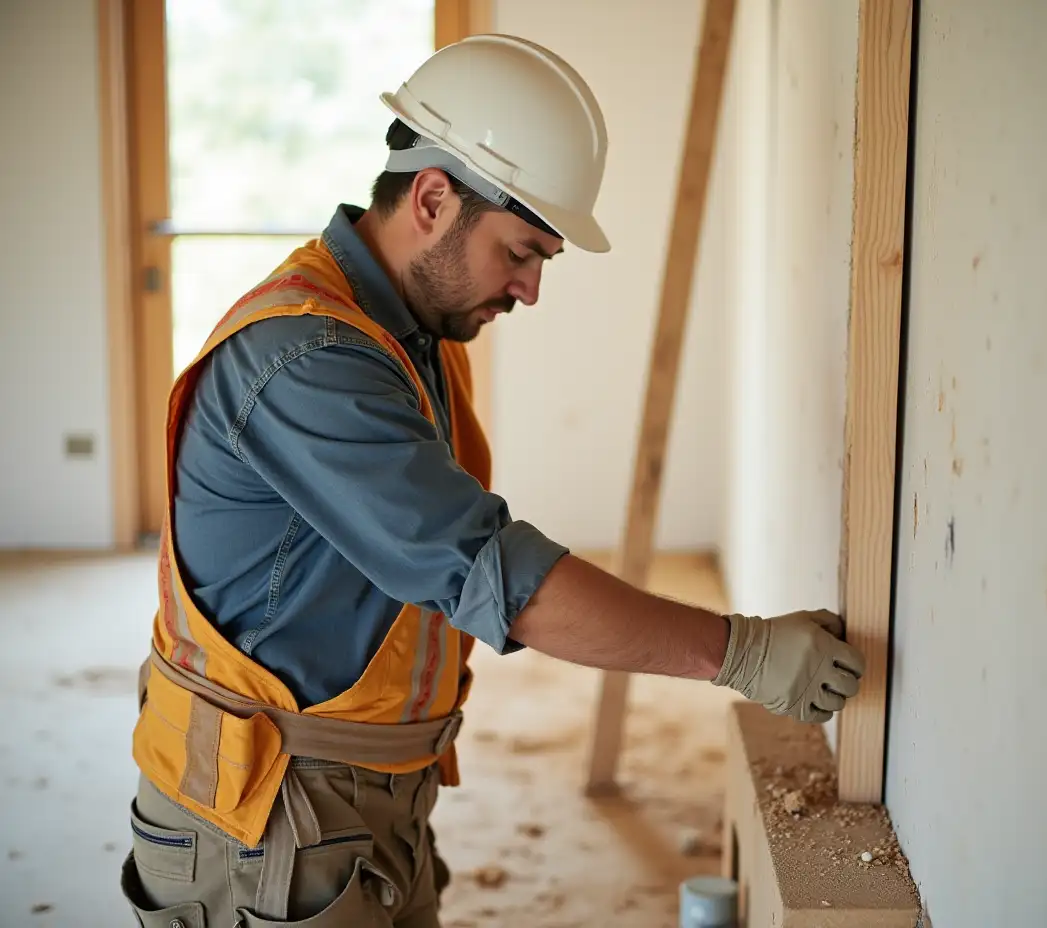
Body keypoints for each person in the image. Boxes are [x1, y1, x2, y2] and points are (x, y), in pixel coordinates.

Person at [120, 34, 866, 928]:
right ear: (432, 198)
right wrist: (740, 650)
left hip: (352, 805)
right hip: (261, 822)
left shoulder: (401, 333)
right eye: (522, 251)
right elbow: (499, 580)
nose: (530, 288)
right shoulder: (307, 360)